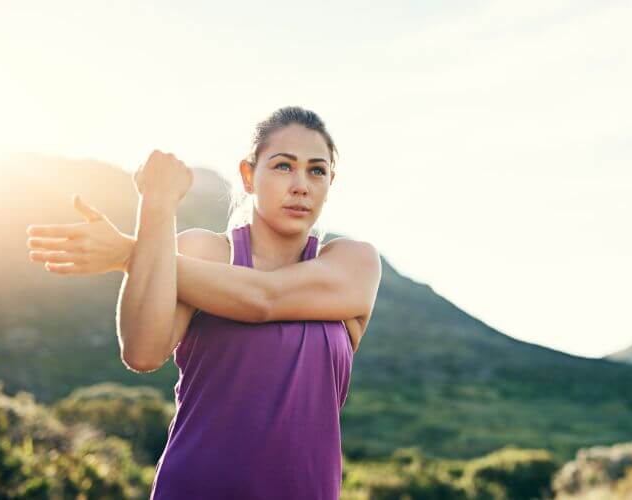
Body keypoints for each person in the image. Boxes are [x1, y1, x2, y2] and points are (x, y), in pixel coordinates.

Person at [25, 106, 382, 499]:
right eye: (283, 166)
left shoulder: (353, 263)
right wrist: (157, 205)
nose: (301, 185)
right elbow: (143, 352)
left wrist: (131, 253)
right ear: (248, 175)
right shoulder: (201, 252)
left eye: (317, 170)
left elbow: (265, 298)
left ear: (331, 182)